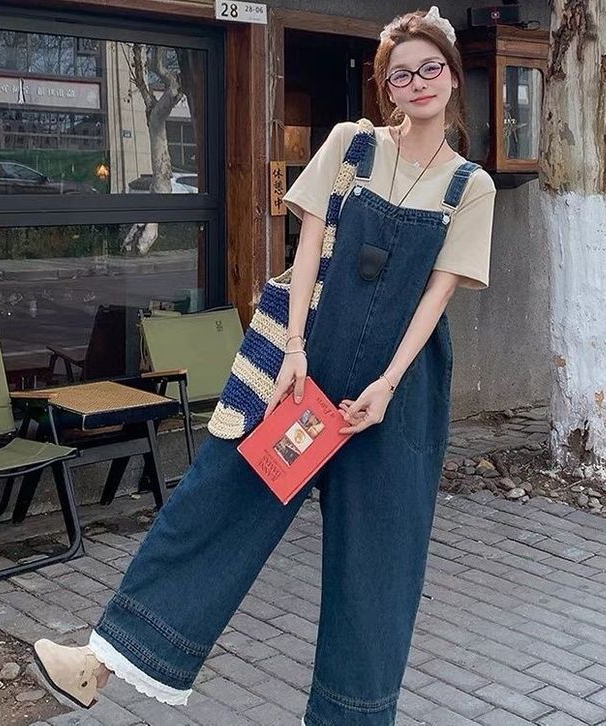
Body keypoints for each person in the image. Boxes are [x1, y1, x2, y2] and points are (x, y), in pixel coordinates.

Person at [32, 6, 496, 725]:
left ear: (452, 75)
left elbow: (436, 300)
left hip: (398, 395)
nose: (418, 82)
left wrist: (386, 385)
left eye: (430, 67)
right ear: (386, 88)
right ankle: (101, 661)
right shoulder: (353, 146)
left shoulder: (471, 186)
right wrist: (295, 350)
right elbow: (306, 250)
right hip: (307, 371)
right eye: (401, 74)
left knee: (379, 566)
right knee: (222, 497)